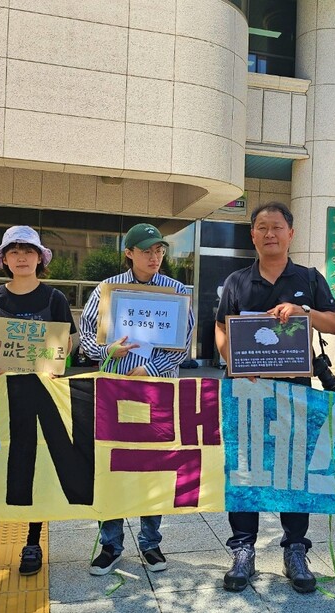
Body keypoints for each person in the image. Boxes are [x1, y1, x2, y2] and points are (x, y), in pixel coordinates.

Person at [215, 202, 335, 594]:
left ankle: (296, 549)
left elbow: (334, 324)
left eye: (277, 227)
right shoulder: (236, 281)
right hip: (245, 390)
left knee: (294, 469)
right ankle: (242, 549)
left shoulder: (309, 277)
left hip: (296, 393)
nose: (270, 234)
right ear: (252, 235)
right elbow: (220, 330)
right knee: (244, 467)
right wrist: (233, 360)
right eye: (262, 227)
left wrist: (303, 310)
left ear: (291, 233)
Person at [0, 226, 77, 578]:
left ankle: (32, 541)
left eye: (29, 250)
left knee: (33, 466)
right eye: (14, 251)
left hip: (38, 395)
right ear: (4, 260)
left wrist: (56, 365)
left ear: (40, 258)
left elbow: (66, 343)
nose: (22, 257)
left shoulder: (54, 298)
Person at [79, 222, 195, 576]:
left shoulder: (176, 291)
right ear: (128, 253)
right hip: (114, 390)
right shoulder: (107, 290)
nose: (155, 257)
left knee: (154, 467)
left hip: (158, 391)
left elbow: (182, 344)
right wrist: (108, 349)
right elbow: (85, 339)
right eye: (146, 251)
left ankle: (151, 542)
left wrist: (151, 369)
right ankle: (111, 544)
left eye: (159, 250)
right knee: (112, 466)